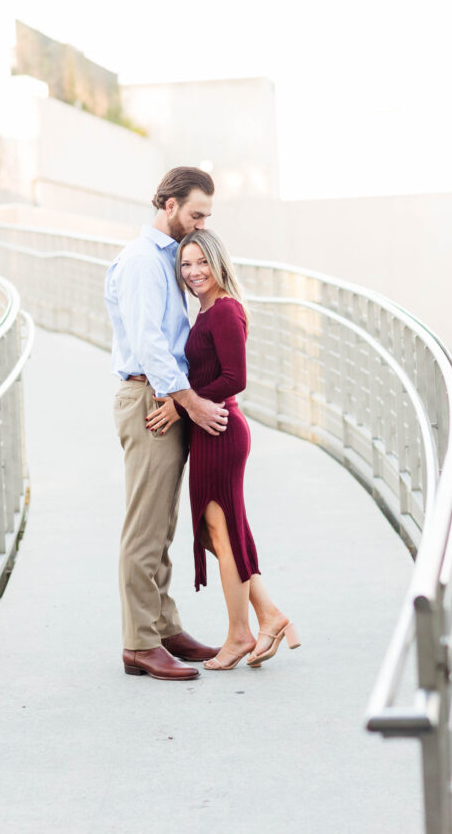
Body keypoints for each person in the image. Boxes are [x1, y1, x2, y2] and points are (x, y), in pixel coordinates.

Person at [146, 229, 301, 670]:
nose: (194, 272)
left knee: (223, 533)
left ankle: (239, 636)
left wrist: (181, 404)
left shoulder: (226, 310)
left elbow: (236, 378)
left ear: (218, 263)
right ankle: (269, 614)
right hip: (212, 429)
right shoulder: (207, 311)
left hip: (221, 430)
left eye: (202, 263)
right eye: (186, 265)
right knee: (221, 534)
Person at [104, 166, 229, 681]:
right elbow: (150, 342)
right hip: (150, 398)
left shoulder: (168, 259)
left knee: (164, 524)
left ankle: (164, 626)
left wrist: (184, 400)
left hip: (166, 398)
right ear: (170, 204)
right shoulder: (140, 262)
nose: (200, 224)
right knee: (144, 527)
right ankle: (139, 643)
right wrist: (190, 402)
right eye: (196, 213)